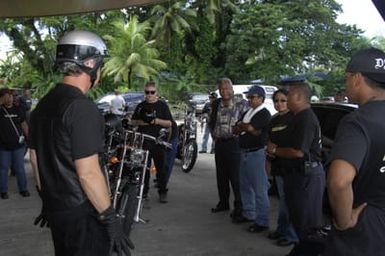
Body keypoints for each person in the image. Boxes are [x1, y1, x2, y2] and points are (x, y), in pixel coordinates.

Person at [29, 30, 133, 256]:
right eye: (101, 64)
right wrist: (109, 216)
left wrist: (47, 200)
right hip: (82, 211)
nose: (101, 71)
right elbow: (88, 173)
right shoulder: (82, 107)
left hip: (57, 208)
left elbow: (35, 160)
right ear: (91, 63)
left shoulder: (42, 105)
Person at [324, 48, 385, 255]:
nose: (346, 84)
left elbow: (339, 181)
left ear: (357, 78)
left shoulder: (358, 121)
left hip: (365, 229)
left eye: (347, 78)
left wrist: (344, 220)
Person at [267, 79, 325, 256]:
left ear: (299, 96)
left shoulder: (305, 118)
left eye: (289, 95)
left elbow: (299, 152)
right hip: (296, 175)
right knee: (299, 220)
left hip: (306, 176)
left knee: (307, 224)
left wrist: (275, 150)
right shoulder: (297, 117)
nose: (286, 98)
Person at [208, 78, 248, 221]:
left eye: (227, 88)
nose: (224, 91)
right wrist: (214, 136)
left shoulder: (241, 103)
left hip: (235, 144)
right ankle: (223, 203)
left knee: (236, 177)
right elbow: (210, 121)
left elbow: (248, 122)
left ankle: (239, 207)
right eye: (221, 89)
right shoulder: (216, 103)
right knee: (221, 176)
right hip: (220, 144)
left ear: (232, 89)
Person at [232, 85, 271, 229]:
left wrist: (244, 127)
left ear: (261, 98)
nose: (249, 100)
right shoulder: (248, 112)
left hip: (256, 152)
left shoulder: (264, 113)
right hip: (244, 151)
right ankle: (249, 213)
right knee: (245, 186)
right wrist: (246, 127)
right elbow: (236, 129)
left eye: (252, 97)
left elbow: (249, 129)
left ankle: (262, 220)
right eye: (248, 97)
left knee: (259, 188)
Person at [131, 81, 173, 203]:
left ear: (156, 93)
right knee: (144, 168)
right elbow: (133, 121)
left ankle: (163, 191)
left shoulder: (162, 106)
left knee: (161, 169)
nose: (149, 94)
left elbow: (169, 123)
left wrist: (156, 121)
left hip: (158, 141)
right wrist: (143, 122)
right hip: (144, 141)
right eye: (147, 92)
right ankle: (144, 192)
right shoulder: (140, 106)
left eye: (152, 92)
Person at [267, 89, 299, 246]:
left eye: (283, 100)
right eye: (276, 101)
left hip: (292, 167)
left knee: (290, 202)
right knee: (283, 201)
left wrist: (276, 149)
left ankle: (292, 235)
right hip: (278, 165)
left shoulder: (295, 119)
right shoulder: (273, 120)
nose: (279, 104)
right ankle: (281, 230)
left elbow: (296, 148)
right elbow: (269, 142)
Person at [0, 88, 29, 199]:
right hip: (3, 146)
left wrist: (29, 137)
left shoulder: (18, 109)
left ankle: (23, 189)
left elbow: (24, 124)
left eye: (11, 96)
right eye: (7, 96)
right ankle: (3, 191)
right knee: (3, 169)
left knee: (20, 168)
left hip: (18, 145)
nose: (10, 98)